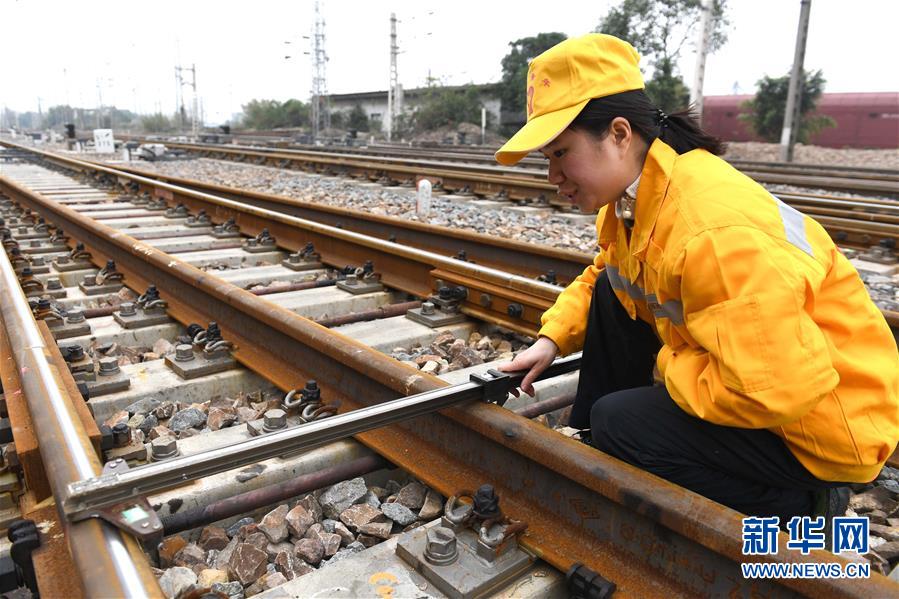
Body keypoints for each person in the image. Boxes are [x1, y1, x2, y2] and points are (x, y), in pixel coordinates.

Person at [496, 33, 899, 524]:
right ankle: (599, 448)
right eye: (547, 159)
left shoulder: (711, 232)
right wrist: (551, 340)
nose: (552, 176)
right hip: (774, 381)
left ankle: (803, 506)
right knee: (610, 294)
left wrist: (667, 369)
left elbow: (774, 392)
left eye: (561, 153)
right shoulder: (641, 197)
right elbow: (609, 272)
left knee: (621, 421)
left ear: (620, 134)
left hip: (821, 427)